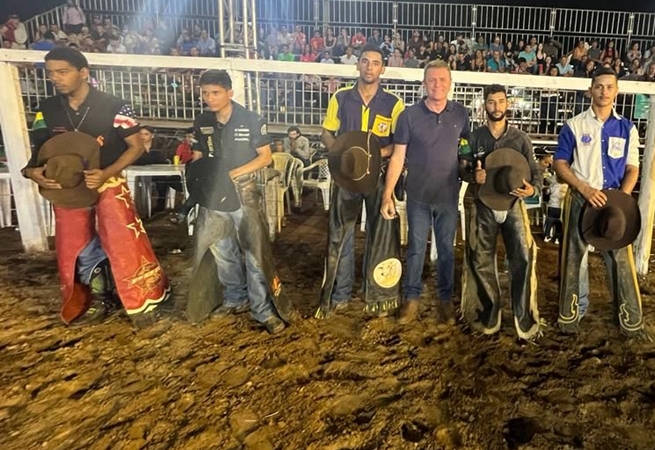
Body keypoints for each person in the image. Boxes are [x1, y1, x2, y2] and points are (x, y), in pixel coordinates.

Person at [22, 47, 170, 328]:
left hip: (109, 184)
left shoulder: (115, 105)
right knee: (79, 245)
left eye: (62, 72)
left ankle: (140, 296)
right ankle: (99, 296)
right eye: (51, 73)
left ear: (83, 72)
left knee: (121, 242)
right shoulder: (46, 109)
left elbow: (135, 146)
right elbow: (39, 150)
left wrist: (106, 173)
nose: (55, 78)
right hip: (67, 188)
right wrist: (32, 171)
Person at [186, 69, 292, 334]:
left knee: (254, 251)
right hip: (212, 195)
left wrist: (229, 175)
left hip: (243, 191)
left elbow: (265, 157)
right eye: (205, 93)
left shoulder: (251, 119)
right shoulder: (202, 121)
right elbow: (198, 157)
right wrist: (199, 184)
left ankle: (262, 309)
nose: (209, 98)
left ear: (229, 93)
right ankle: (236, 297)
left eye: (215, 93)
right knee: (222, 250)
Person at [552, 67, 648, 338]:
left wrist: (623, 197)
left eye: (609, 87)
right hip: (582, 198)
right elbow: (560, 163)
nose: (604, 91)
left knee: (621, 259)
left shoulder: (628, 128)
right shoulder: (574, 125)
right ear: (590, 90)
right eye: (599, 86)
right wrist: (584, 188)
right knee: (573, 257)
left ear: (616, 91)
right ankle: (572, 314)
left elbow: (632, 168)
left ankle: (628, 317)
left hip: (615, 201)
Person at [316, 46, 405, 318]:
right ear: (358, 66)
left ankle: (377, 295)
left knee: (381, 235)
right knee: (341, 234)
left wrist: (376, 155)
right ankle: (339, 294)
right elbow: (326, 133)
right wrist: (341, 151)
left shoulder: (394, 104)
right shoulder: (341, 98)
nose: (369, 67)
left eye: (375, 63)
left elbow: (398, 144)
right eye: (365, 61)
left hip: (378, 178)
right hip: (346, 177)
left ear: (382, 69)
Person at [381, 60, 470, 325]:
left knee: (446, 249)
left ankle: (445, 300)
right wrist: (388, 194)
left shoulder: (461, 115)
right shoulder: (409, 116)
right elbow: (397, 158)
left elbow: (465, 152)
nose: (437, 85)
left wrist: (471, 172)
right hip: (417, 195)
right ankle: (411, 299)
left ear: (450, 83)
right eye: (432, 80)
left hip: (447, 195)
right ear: (424, 83)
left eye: (442, 80)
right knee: (416, 248)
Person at [458, 85, 542, 340]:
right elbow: (461, 169)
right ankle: (490, 311)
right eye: (491, 102)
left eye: (501, 101)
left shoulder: (520, 139)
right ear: (485, 105)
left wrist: (533, 189)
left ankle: (523, 314)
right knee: (481, 257)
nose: (496, 106)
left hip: (514, 203)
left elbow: (535, 171)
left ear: (508, 105)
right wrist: (474, 175)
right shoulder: (471, 138)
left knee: (523, 256)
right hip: (483, 203)